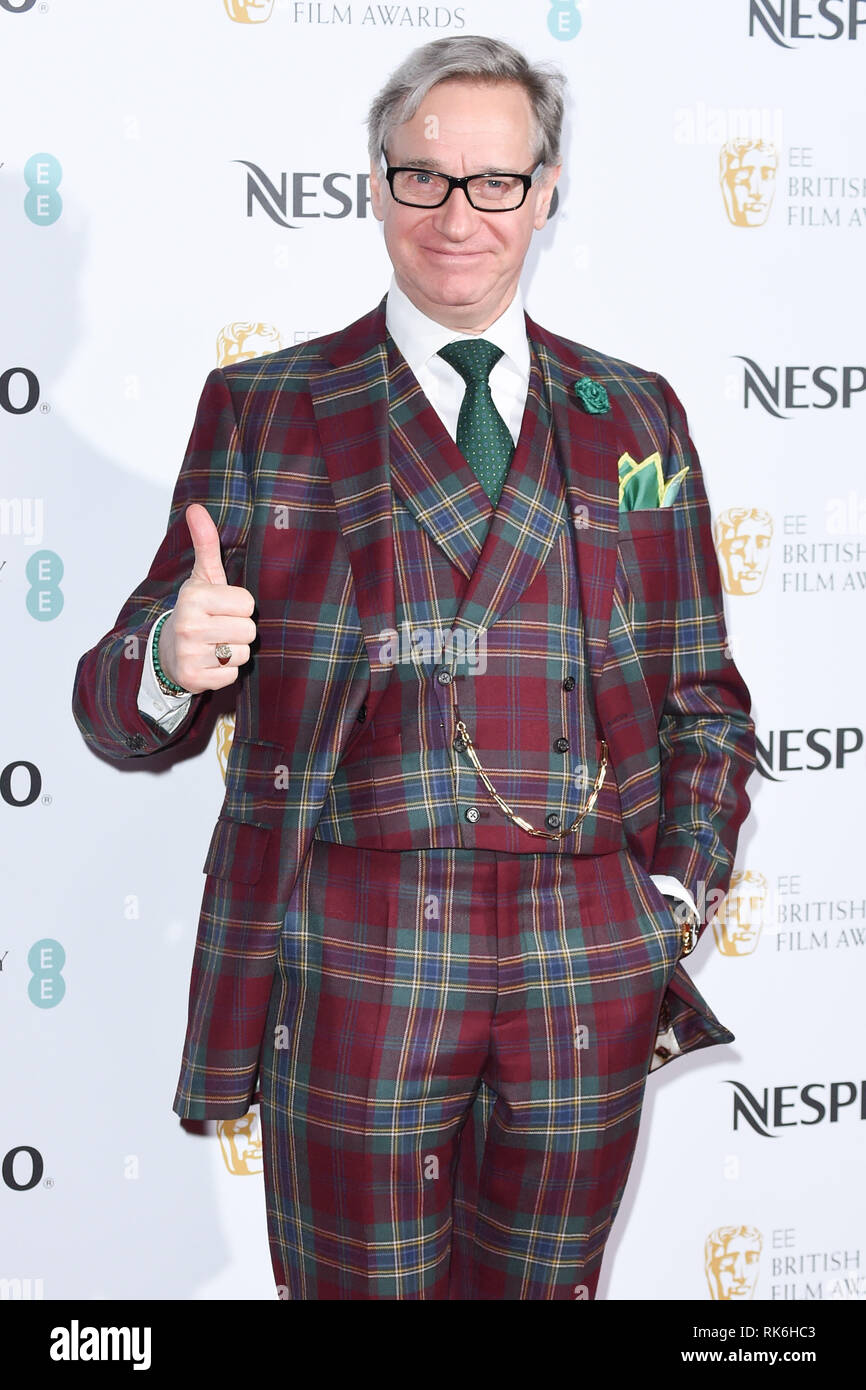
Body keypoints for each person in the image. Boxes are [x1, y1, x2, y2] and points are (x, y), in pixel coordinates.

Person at [72, 35, 755, 1300]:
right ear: (375, 186)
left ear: (546, 193)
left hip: (581, 947)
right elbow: (118, 716)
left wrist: (669, 894)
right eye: (425, 178)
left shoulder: (636, 413)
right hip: (354, 945)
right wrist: (169, 656)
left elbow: (701, 696)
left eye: (496, 181)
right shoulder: (265, 406)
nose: (460, 215)